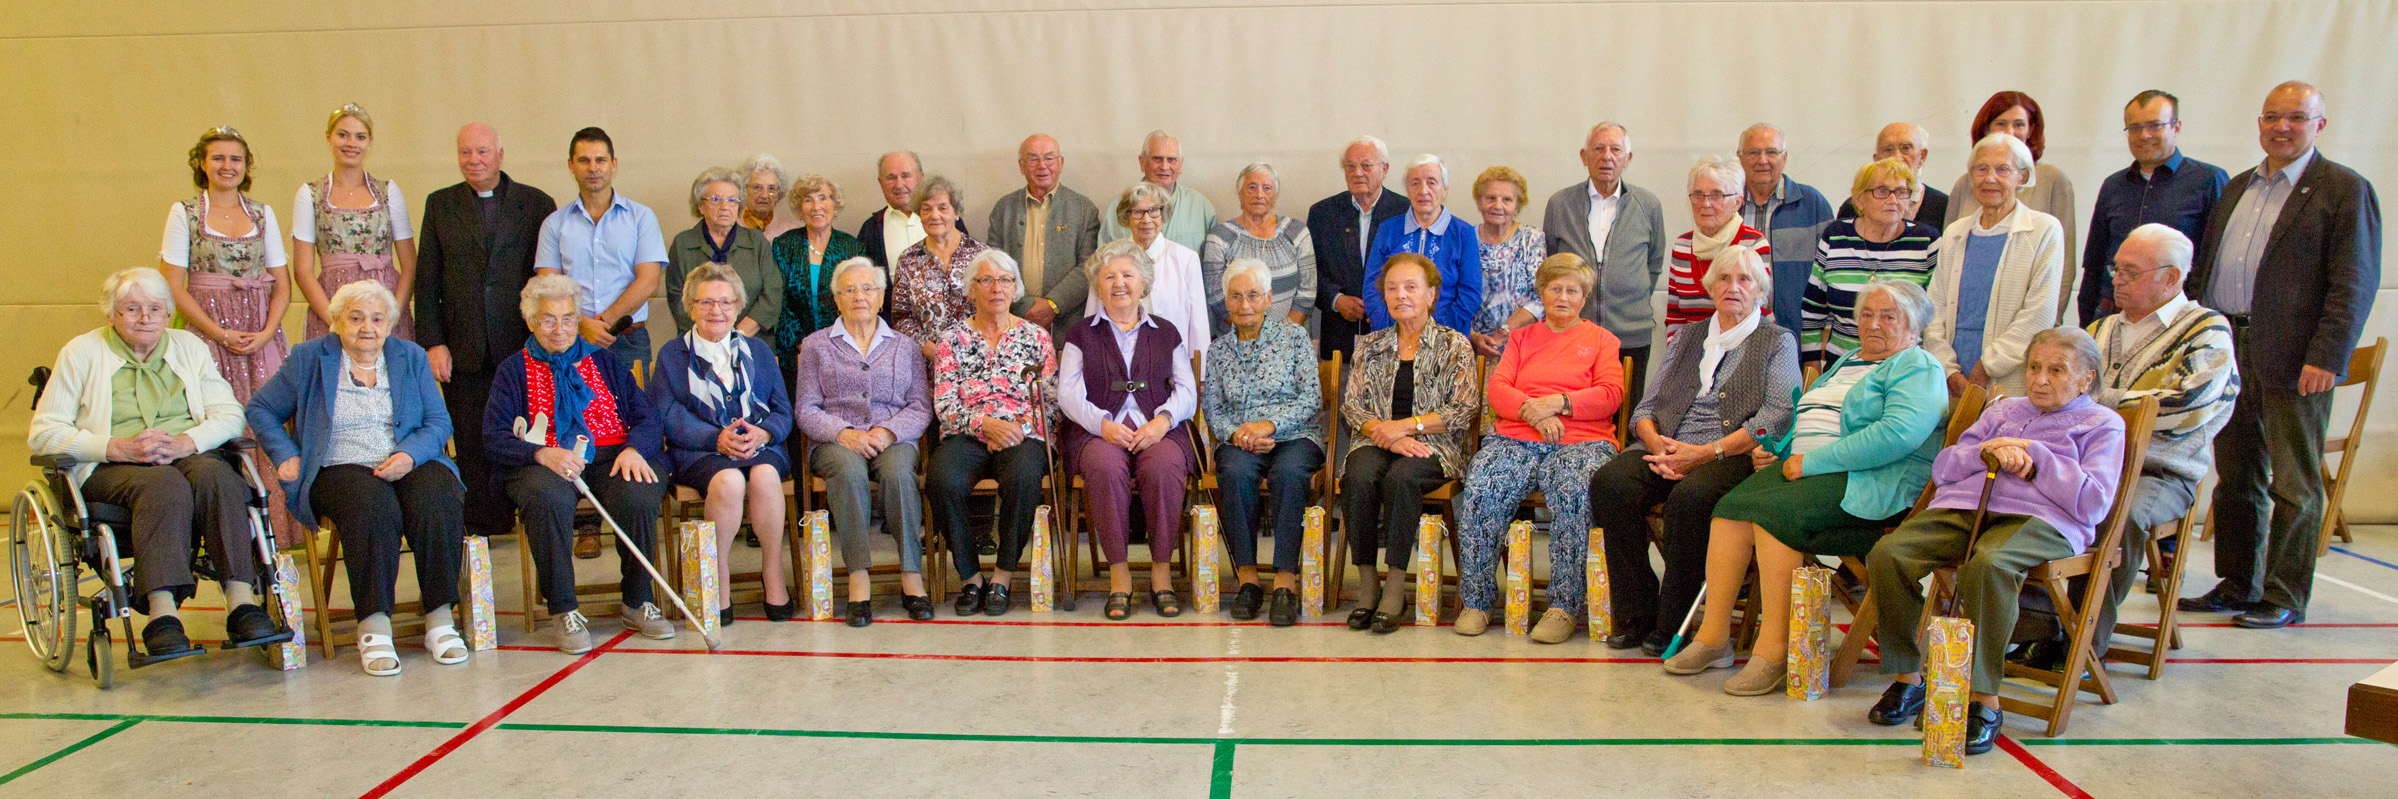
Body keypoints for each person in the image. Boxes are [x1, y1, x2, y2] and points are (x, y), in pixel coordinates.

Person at [1665, 280, 1946, 694]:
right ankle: (1713, 636)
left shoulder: (1917, 366)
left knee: (1775, 515)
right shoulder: (1848, 360)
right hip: (1809, 473)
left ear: (1915, 328)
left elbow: (1896, 436)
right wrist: (1778, 451)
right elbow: (1807, 418)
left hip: (1867, 482)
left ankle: (1775, 649)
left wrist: (1811, 462)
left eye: (1889, 317)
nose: (1874, 324)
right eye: (1867, 314)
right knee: (1729, 507)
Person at [1862, 327, 2124, 755]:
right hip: (1967, 507)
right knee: (1889, 554)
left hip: (2043, 520)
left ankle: (1985, 700)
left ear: (2087, 378)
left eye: (2057, 370)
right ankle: (1909, 677)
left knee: (1990, 564)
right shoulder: (2002, 411)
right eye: (2035, 367)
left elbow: (2093, 502)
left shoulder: (2102, 423)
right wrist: (1989, 450)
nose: (2040, 379)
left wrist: (2036, 458)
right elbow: (1945, 468)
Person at [2180, 81, 2383, 629]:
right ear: (2260, 123)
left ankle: (2285, 593)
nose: (2283, 126)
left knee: (2294, 482)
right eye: (2273, 116)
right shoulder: (2239, 187)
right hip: (2229, 346)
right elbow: (2208, 269)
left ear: (2320, 124)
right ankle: (2237, 583)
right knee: (2237, 473)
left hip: (2297, 357)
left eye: (2297, 117)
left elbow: (2355, 282)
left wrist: (2329, 356)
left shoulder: (2343, 189)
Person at [29, 268, 283, 661]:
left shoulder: (189, 348)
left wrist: (186, 441)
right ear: (111, 313)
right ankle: (162, 616)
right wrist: (117, 447)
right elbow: (43, 433)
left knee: (219, 476)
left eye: (155, 309)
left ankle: (241, 601)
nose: (145, 317)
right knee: (163, 485)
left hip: (184, 454)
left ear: (168, 314)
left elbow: (229, 415)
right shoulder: (81, 352)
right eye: (132, 308)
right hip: (110, 467)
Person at [2015, 225, 2238, 662]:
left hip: (2159, 472)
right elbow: (2062, 397)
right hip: (2082, 462)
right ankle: (2039, 626)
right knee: (2020, 498)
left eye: (2131, 272)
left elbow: (2185, 407)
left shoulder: (2207, 331)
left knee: (2118, 514)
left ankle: (2082, 647)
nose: (2116, 278)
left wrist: (2101, 401)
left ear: (2171, 278)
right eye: (2116, 268)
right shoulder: (2098, 329)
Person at [1588, 246, 1798, 654]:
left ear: (1760, 292)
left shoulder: (1777, 341)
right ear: (1710, 286)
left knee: (1691, 499)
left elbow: (1778, 415)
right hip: (1666, 445)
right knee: (1611, 483)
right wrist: (1657, 445)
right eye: (1723, 279)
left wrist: (1704, 453)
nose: (1732, 287)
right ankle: (1636, 614)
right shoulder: (1687, 336)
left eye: (1744, 280)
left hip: (1732, 453)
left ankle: (1673, 623)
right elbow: (1646, 408)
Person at [247, 281, 464, 676]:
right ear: (335, 321)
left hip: (405, 460)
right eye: (356, 317)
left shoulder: (410, 357)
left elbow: (438, 422)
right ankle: (375, 625)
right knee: (372, 506)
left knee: (439, 494)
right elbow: (261, 408)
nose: (368, 327)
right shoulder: (310, 358)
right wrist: (286, 453)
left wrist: (409, 455)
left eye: (378, 319)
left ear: (390, 324)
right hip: (338, 467)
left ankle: (440, 616)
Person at [483, 275, 677, 652]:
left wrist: (634, 448)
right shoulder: (512, 370)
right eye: (548, 320)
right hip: (542, 463)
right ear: (531, 322)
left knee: (638, 490)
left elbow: (648, 417)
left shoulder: (604, 360)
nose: (560, 329)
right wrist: (540, 453)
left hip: (611, 454)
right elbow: (493, 437)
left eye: (569, 318)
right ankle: (563, 609)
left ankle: (638, 601)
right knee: (547, 498)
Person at [1452, 254, 1625, 643]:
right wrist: (1535, 415)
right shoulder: (1521, 338)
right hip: (1518, 434)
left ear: (1585, 297)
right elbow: (1498, 389)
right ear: (1542, 292)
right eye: (1555, 288)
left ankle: (1563, 606)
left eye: (1573, 291)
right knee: (1483, 484)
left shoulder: (1602, 340)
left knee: (1573, 490)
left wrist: (1558, 402)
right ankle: (1476, 601)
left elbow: (1611, 394)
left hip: (1583, 439)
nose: (1563, 297)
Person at [415, 122, 559, 541]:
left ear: (500, 154)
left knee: (528, 433)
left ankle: (532, 516)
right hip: (464, 347)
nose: (473, 160)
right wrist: (433, 342)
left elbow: (548, 276)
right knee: (473, 435)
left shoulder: (536, 203)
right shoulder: (440, 204)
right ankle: (482, 523)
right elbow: (428, 279)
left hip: (522, 345)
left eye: (481, 152)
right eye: (464, 153)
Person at [1338, 253, 1479, 633]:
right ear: (1383, 296)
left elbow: (1464, 408)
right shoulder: (1369, 344)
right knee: (1358, 475)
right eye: (1392, 288)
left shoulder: (1454, 345)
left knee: (1401, 479)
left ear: (1431, 294)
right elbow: (1352, 405)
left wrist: (1405, 427)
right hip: (1376, 438)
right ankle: (1367, 584)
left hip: (1435, 445)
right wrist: (1384, 433)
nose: (1401, 295)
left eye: (1411, 287)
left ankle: (1395, 588)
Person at [1060, 241, 1202, 620]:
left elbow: (1187, 390)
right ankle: (1119, 575)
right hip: (1098, 431)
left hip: (1157, 429)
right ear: (1097, 285)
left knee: (1164, 467)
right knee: (1105, 468)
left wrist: (1163, 421)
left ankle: (1160, 572)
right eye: (1109, 276)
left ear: (1144, 283)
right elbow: (1068, 394)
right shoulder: (1080, 334)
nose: (1119, 283)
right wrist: (1101, 425)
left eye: (1128, 275)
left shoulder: (1166, 332)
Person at [794, 258, 937, 626]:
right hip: (835, 441)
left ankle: (911, 576)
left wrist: (887, 432)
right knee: (848, 471)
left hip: (894, 436)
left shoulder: (906, 346)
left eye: (868, 288)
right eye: (850, 290)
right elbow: (806, 409)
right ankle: (858, 578)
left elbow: (920, 406)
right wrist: (844, 433)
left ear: (881, 295)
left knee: (899, 473)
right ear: (836, 299)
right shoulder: (815, 346)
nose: (860, 296)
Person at [651, 263, 795, 625]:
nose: (717, 311)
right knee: (730, 481)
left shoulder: (759, 351)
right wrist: (714, 437)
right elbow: (666, 413)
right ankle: (718, 579)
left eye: (726, 302)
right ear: (691, 306)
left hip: (760, 446)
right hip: (699, 450)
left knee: (763, 477)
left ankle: (773, 571)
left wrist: (764, 434)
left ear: (738, 306)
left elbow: (782, 409)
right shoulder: (671, 355)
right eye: (707, 302)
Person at [927, 250, 1057, 617]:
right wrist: (984, 424)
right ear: (971, 289)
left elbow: (1050, 404)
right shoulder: (951, 340)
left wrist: (1018, 429)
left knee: (1025, 475)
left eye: (1004, 280)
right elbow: (945, 405)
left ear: (1015, 288)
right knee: (942, 480)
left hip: (1023, 435)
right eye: (986, 280)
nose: (996, 288)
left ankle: (1002, 576)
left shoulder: (1036, 337)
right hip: (967, 433)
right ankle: (970, 577)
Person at [1201, 258, 1325, 626]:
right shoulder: (1219, 351)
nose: (1244, 305)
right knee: (1234, 472)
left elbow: (1311, 398)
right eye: (1236, 296)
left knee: (1289, 473)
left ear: (1270, 298)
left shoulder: (1293, 337)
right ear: (1226, 301)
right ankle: (1249, 580)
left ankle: (1285, 583)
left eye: (1253, 295)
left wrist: (1268, 425)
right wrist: (1238, 433)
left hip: (1294, 435)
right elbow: (1214, 408)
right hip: (1242, 442)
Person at [1925, 133, 2066, 398]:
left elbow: (2039, 313)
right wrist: (1948, 370)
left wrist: (1986, 367)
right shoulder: (1955, 232)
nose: (1990, 178)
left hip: (2009, 379)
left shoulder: (2043, 230)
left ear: (2022, 177)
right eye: (1981, 169)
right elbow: (1934, 310)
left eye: (2003, 169)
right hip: (1950, 382)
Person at [158, 125, 292, 402]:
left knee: (266, 408)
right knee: (211, 404)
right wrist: (218, 333)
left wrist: (267, 333)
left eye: (235, 159)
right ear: (202, 164)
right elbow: (171, 285)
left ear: (245, 165)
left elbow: (282, 285)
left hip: (258, 328)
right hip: (205, 329)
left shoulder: (262, 213)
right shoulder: (185, 213)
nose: (227, 166)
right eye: (218, 158)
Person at [2078, 91, 2230, 322]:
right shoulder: (2113, 185)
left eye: (2155, 125)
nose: (2144, 135)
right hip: (2114, 315)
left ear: (2176, 127)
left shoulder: (2208, 180)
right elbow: (2095, 262)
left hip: (2178, 318)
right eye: (2135, 128)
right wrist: (2087, 324)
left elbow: (2216, 260)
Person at [1544, 123, 1667, 404]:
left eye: (1615, 149)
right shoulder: (1560, 204)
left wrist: (1627, 295)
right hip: (1572, 330)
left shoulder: (1648, 205)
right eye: (1598, 148)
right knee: (1576, 409)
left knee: (1626, 410)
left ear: (1628, 158)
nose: (1606, 156)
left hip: (1631, 334)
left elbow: (1654, 263)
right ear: (1584, 156)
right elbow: (1552, 261)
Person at [535, 127, 667, 372]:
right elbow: (548, 287)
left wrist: (603, 323)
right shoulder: (554, 223)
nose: (593, 168)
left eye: (600, 160)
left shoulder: (641, 218)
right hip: (572, 341)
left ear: (613, 164)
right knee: (574, 411)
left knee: (633, 411)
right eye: (584, 160)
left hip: (629, 341)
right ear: (571, 165)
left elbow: (649, 281)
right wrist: (583, 325)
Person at [1944, 92, 2079, 314]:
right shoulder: (1966, 183)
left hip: (2026, 320)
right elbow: (1948, 258)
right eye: (2000, 124)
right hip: (1965, 315)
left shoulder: (2053, 180)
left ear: (2032, 130)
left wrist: (2050, 322)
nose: (2010, 132)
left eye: (2019, 124)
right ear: (1986, 130)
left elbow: (2063, 265)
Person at [292, 103, 416, 342]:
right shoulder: (310, 194)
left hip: (384, 310)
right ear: (328, 137)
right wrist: (335, 320)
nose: (351, 143)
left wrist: (392, 316)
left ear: (369, 142)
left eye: (359, 137)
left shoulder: (388, 191)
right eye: (343, 135)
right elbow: (303, 271)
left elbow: (410, 265)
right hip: (332, 309)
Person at [1801, 158, 1940, 366]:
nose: (1893, 200)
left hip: (1904, 369)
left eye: (1901, 192)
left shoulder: (1926, 241)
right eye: (1882, 191)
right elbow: (1813, 310)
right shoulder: (1836, 236)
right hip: (1842, 367)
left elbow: (1936, 318)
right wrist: (1811, 370)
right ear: (1859, 200)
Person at [986, 133, 1102, 332]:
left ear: (1061, 163)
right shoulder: (1004, 209)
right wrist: (1026, 305)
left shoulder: (1083, 209)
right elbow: (993, 266)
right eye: (1033, 159)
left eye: (1049, 158)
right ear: (1021, 166)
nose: (1042, 166)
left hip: (1068, 326)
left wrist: (1053, 305)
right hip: (1013, 323)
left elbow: (1089, 267)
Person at [1310, 135, 1410, 361]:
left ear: (1384, 169)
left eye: (1366, 166)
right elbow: (1310, 271)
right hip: (1339, 337)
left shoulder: (1405, 212)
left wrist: (1383, 302)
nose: (1357, 173)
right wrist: (1336, 300)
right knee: (1341, 396)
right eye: (1350, 166)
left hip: (1394, 332)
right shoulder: (1322, 213)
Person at [1735, 124, 1836, 338]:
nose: (1763, 160)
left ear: (1785, 157)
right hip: (1736, 332)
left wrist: (1827, 329)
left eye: (1772, 152)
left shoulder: (1812, 204)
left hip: (1797, 334)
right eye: (1753, 152)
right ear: (1740, 157)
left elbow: (1832, 271)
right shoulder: (1728, 204)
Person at [1093, 182, 1213, 357]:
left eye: (1154, 211)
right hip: (1118, 359)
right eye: (1138, 212)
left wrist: (1199, 376)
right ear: (1126, 217)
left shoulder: (1186, 259)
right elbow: (1094, 315)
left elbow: (1198, 324)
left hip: (1172, 360)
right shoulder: (1107, 257)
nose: (1146, 220)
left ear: (1163, 215)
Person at [1364, 155, 1482, 334]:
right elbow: (1372, 286)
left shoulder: (1463, 233)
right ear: (1408, 191)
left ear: (1444, 190)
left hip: (1447, 337)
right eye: (1415, 183)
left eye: (1432, 182)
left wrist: (1438, 332)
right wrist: (1390, 330)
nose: (1423, 191)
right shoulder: (1388, 229)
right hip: (1391, 336)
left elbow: (1470, 294)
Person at [770, 174, 866, 389]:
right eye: (808, 200)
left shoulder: (851, 247)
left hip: (842, 349)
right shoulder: (784, 245)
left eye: (823, 198)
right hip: (794, 351)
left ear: (834, 204)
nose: (817, 207)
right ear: (799, 207)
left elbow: (858, 301)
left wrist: (829, 345)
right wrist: (802, 344)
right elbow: (780, 300)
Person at [665, 167, 782, 338]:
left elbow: (773, 293)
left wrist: (737, 335)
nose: (725, 207)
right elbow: (677, 298)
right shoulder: (683, 243)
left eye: (732, 200)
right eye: (715, 199)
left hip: (751, 341)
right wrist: (711, 335)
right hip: (699, 343)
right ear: (700, 206)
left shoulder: (756, 241)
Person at [1202, 163, 1315, 339]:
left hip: (1290, 340)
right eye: (1252, 188)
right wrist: (1251, 333)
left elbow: (1307, 291)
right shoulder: (1220, 237)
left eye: (1267, 188)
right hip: (1237, 340)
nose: (1259, 194)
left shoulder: (1297, 232)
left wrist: (1278, 336)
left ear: (1275, 196)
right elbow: (1216, 296)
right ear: (1239, 193)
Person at [889, 175, 989, 355]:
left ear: (956, 213)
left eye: (942, 208)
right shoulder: (908, 259)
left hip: (976, 356)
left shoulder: (981, 255)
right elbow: (900, 316)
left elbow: (995, 306)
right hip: (925, 361)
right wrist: (929, 349)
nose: (934, 216)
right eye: (926, 209)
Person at [1668, 156, 1770, 328]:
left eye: (1716, 195)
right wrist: (1680, 353)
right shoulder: (1682, 246)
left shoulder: (1753, 244)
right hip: (1690, 349)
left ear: (1737, 202)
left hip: (1744, 349)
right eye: (1698, 195)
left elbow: (1761, 313)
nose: (1706, 204)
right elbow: (1675, 317)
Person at [1470, 166, 1543, 358]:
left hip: (1522, 346)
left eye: (1507, 199)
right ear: (1479, 202)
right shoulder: (1465, 237)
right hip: (1471, 345)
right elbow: (1452, 294)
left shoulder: (1532, 239)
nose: (1498, 205)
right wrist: (1473, 337)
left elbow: (1540, 297)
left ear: (1517, 207)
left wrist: (1501, 334)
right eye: (1490, 198)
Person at [1101, 130, 1217, 251]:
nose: (1164, 166)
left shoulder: (1201, 207)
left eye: (1172, 159)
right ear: (1142, 162)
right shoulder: (1118, 207)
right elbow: (1102, 262)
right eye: (1157, 159)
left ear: (1180, 164)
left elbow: (1211, 264)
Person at [857, 150, 966, 268]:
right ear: (881, 182)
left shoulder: (948, 220)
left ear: (921, 177)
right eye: (891, 177)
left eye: (906, 176)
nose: (899, 185)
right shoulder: (871, 229)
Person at [1836, 123, 1950, 224]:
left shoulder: (1944, 207)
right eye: (1888, 150)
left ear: (1922, 156)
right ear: (1877, 160)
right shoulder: (1854, 207)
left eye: (1906, 148)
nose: (1897, 157)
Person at [736, 154, 798, 240]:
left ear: (778, 194)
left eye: (771, 188)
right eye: (757, 187)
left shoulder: (790, 233)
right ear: (744, 190)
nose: (765, 195)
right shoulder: (731, 229)